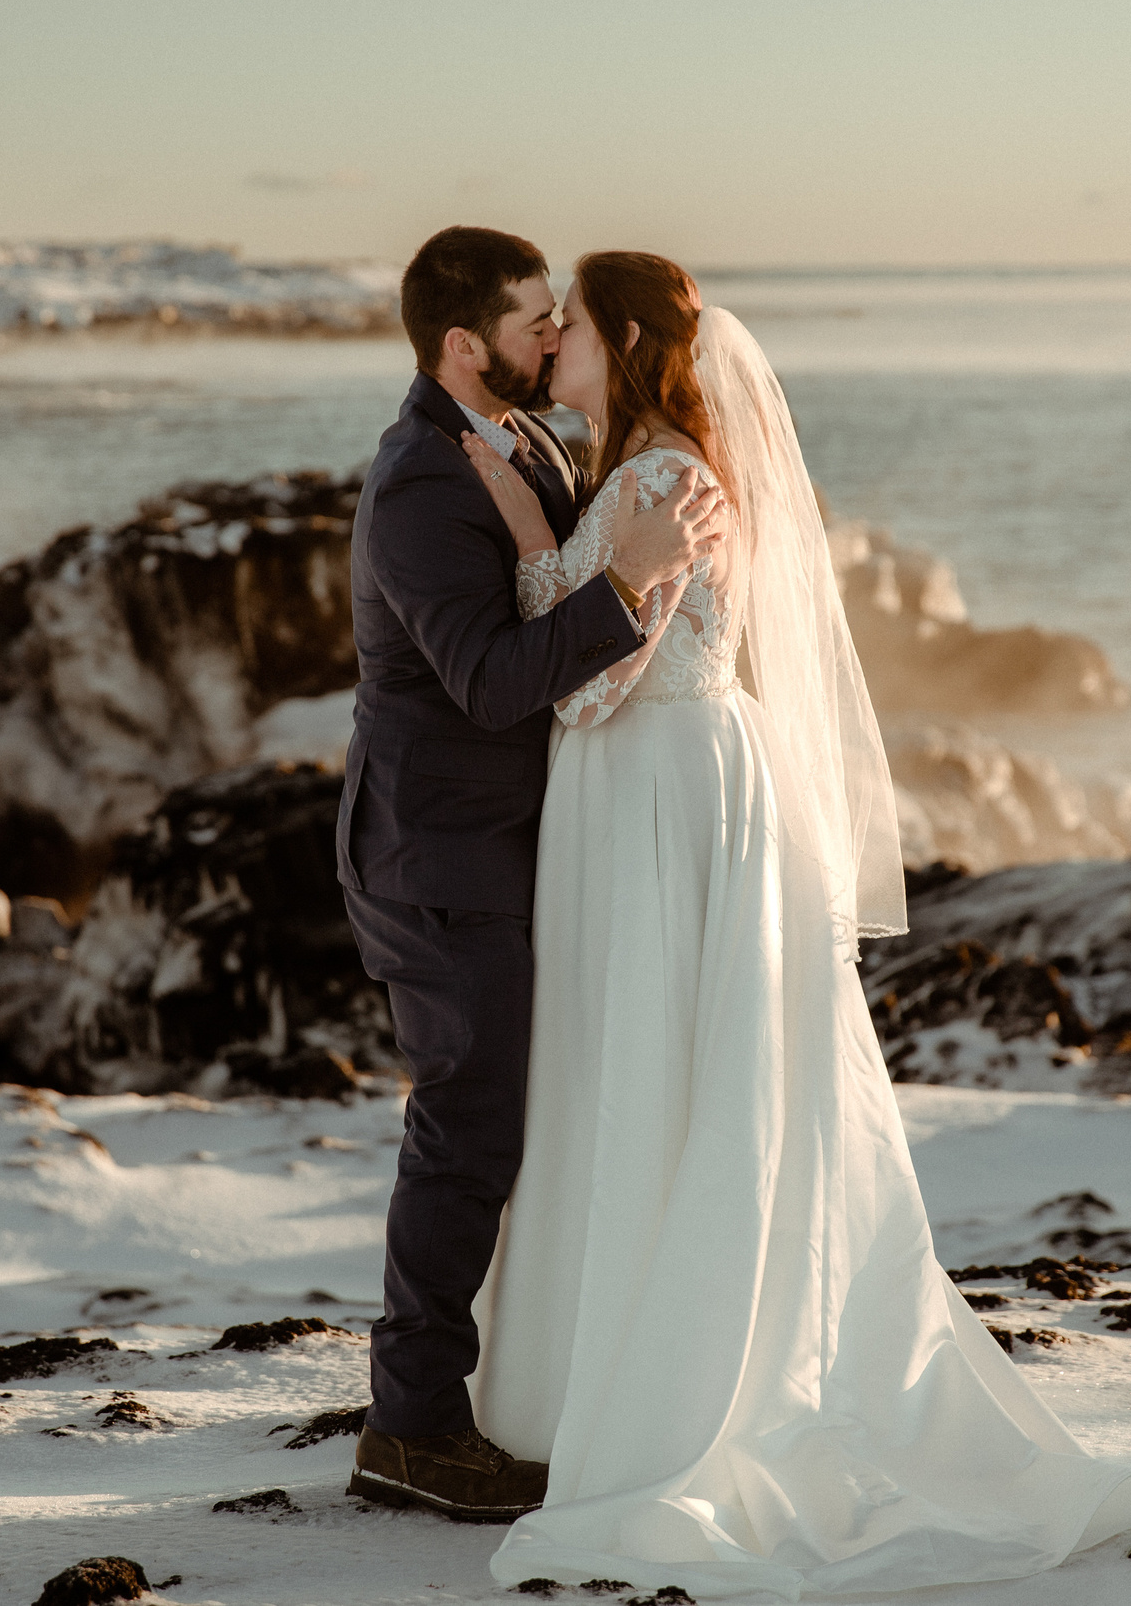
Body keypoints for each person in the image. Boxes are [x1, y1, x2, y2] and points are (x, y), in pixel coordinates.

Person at [452, 250, 1131, 1596]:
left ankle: (662, 1396)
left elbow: (589, 692)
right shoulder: (648, 462)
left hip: (658, 788)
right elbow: (598, 632)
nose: (551, 347)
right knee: (659, 1067)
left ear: (621, 339)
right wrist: (531, 512)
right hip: (664, 788)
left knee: (655, 1067)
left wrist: (528, 542)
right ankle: (603, 1379)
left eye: (574, 331)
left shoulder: (665, 476)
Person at [337, 226, 731, 1522]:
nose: (552, 336)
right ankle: (411, 1431)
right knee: (467, 1135)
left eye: (564, 320)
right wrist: (631, 584)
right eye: (531, 321)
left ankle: (514, 1391)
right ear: (467, 345)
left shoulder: (537, 444)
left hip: (534, 848)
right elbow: (495, 681)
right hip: (438, 853)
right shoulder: (417, 483)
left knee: (519, 1125)